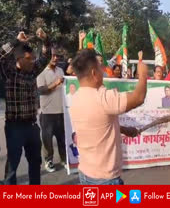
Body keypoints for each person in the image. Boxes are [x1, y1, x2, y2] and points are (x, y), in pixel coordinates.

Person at [70, 49, 148, 185]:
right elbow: (138, 98)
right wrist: (143, 73)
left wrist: (122, 129)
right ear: (94, 73)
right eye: (101, 68)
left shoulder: (76, 97)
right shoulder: (103, 98)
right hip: (106, 179)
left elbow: (98, 125)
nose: (104, 71)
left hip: (85, 173)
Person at [0, 29, 50, 185]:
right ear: (19, 58)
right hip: (15, 127)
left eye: (33, 59)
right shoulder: (9, 73)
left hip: (32, 126)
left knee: (35, 162)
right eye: (29, 59)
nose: (32, 62)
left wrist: (45, 40)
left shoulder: (32, 72)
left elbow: (46, 57)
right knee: (12, 166)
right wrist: (16, 41)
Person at [37, 45, 67, 172]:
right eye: (53, 55)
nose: (55, 58)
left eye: (57, 56)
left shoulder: (60, 71)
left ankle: (64, 159)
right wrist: (55, 84)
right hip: (47, 114)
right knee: (47, 140)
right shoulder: (41, 72)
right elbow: (41, 90)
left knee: (62, 139)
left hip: (61, 112)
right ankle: (48, 161)